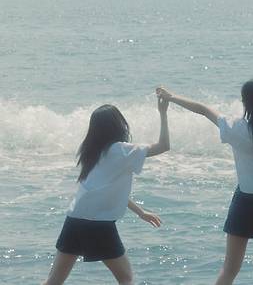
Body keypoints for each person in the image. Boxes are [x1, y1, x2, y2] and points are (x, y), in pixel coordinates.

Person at [156, 30, 253, 285]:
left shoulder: (238, 129)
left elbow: (204, 110)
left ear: (247, 103)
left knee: (229, 270)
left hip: (246, 200)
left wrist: (171, 97)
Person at [43, 97, 170, 285]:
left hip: (74, 219)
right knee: (126, 278)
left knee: (54, 281)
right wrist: (163, 112)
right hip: (99, 224)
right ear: (119, 126)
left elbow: (105, 190)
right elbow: (164, 146)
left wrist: (140, 212)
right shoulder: (122, 150)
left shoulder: (91, 151)